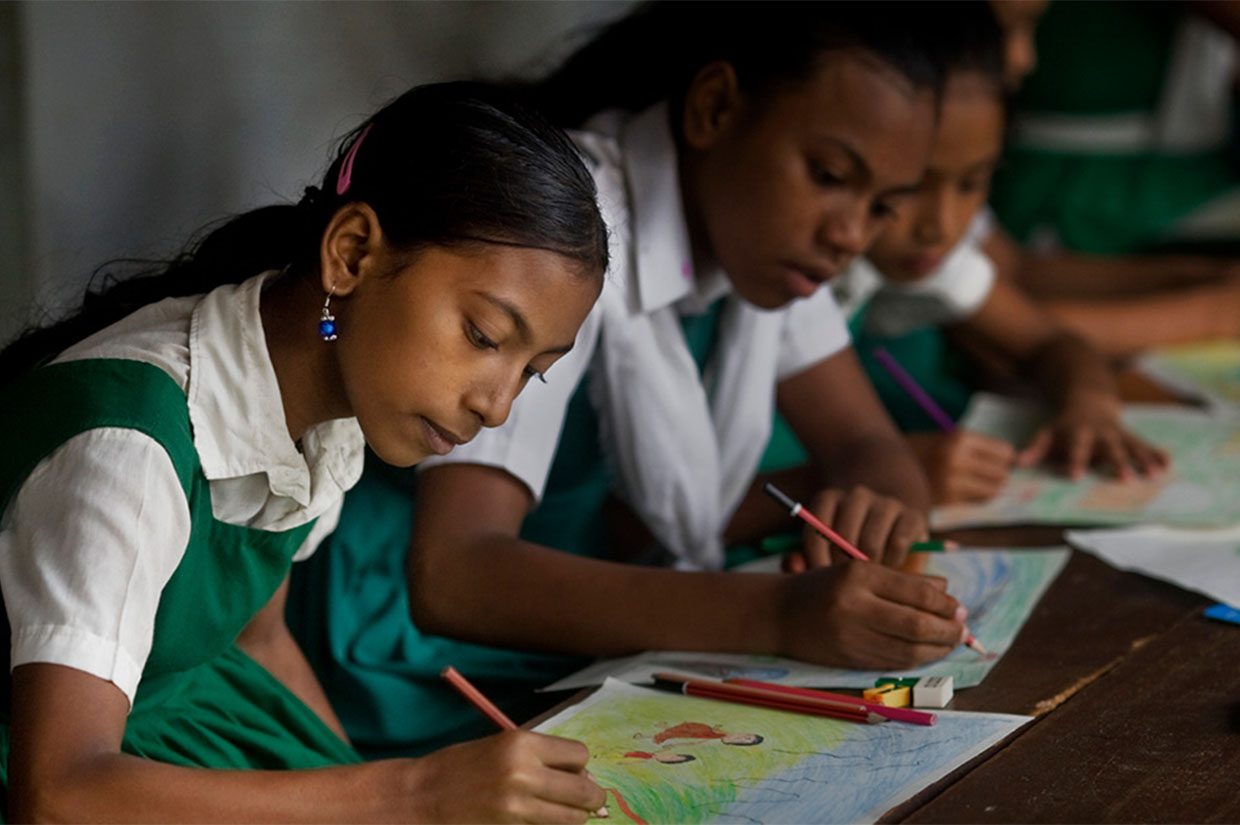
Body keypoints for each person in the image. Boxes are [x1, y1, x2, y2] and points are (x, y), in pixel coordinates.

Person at [288, 0, 977, 759]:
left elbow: (869, 445)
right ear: (714, 109)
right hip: (408, 656)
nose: (849, 233)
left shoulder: (771, 250)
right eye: (828, 175)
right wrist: (776, 614)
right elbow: (457, 572)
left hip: (577, 628)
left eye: (880, 206)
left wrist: (876, 509)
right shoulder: (573, 237)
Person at [0, 82, 611, 822]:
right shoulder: (128, 449)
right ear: (351, 253)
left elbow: (259, 637)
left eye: (532, 371)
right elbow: (56, 791)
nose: (496, 404)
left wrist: (364, 780)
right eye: (482, 336)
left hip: (187, 720)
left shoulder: (330, 404)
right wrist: (414, 793)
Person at [801, 1, 1170, 507]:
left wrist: (1089, 403)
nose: (940, 227)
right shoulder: (796, 273)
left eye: (973, 184)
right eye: (908, 188)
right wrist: (899, 471)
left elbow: (1051, 342)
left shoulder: (924, 260)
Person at [982, 0, 1240, 359]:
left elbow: (1013, 271)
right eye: (1001, 31)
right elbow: (983, 329)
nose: (1024, 59)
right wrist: (1215, 314)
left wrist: (1200, 279)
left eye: (1030, 26)